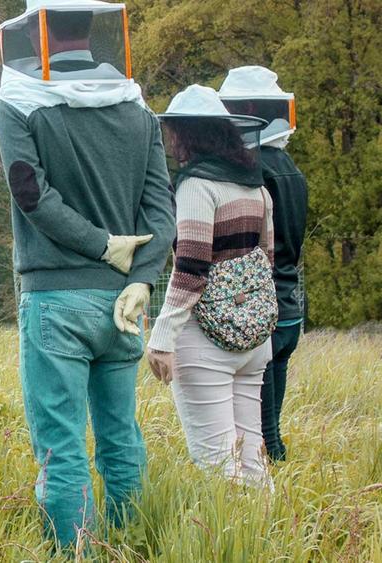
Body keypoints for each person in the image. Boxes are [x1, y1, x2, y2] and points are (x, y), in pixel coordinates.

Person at [0, 0, 176, 548]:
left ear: (33, 30)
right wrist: (142, 276)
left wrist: (101, 246)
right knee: (122, 436)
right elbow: (162, 210)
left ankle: (72, 554)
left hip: (56, 297)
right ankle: (130, 549)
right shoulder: (135, 106)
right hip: (126, 303)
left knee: (61, 445)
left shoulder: (20, 103)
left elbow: (31, 197)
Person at [146, 84, 275, 490]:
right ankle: (271, 543)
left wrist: (161, 336)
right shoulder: (257, 188)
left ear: (189, 135)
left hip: (205, 343)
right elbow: (265, 261)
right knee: (253, 458)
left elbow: (191, 267)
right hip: (254, 340)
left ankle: (236, 548)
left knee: (218, 466)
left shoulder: (197, 186)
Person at [219, 66, 308, 462]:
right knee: (269, 426)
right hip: (289, 308)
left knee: (263, 438)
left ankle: (269, 510)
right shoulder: (291, 169)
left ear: (247, 110)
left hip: (262, 310)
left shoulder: (257, 170)